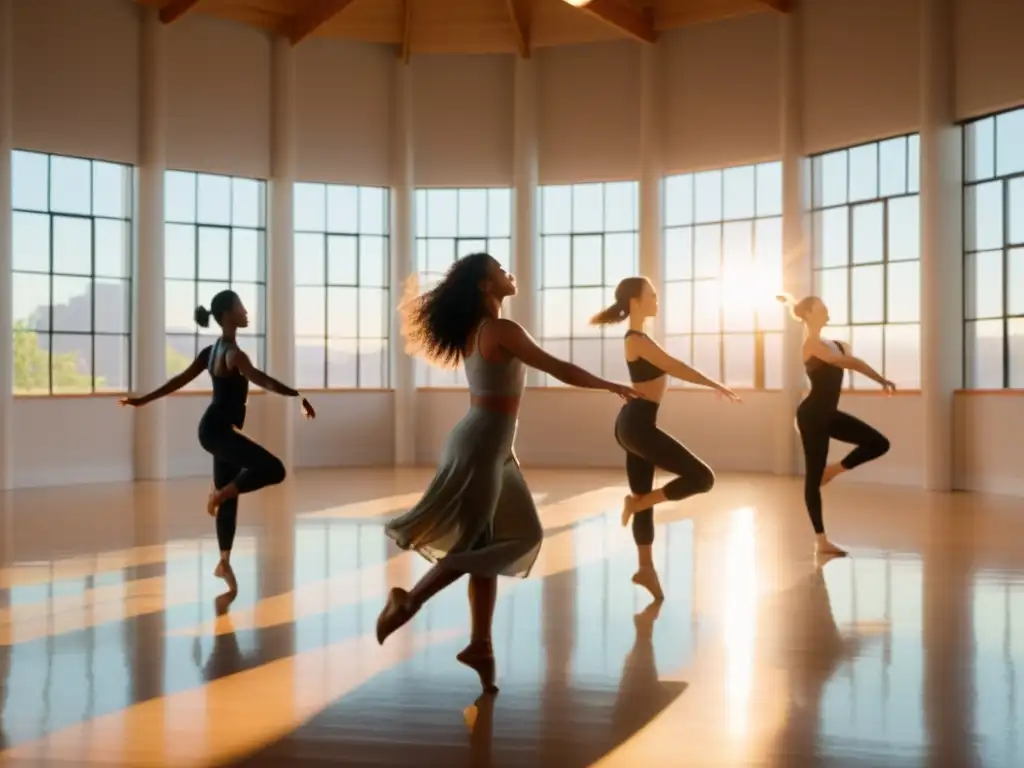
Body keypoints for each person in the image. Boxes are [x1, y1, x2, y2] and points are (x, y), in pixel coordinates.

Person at [377, 253, 640, 694]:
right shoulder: (499, 330)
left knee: (492, 541)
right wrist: (609, 384)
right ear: (484, 285)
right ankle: (409, 600)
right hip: (482, 444)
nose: (509, 274)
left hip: (491, 444)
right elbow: (556, 367)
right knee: (514, 539)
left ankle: (481, 645)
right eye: (499, 271)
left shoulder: (478, 331)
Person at [119, 289, 314, 591]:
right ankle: (219, 495)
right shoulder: (234, 355)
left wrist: (143, 400)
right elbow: (261, 379)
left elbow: (177, 381)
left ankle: (224, 562)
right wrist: (297, 394)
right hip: (218, 432)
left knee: (232, 492)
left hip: (215, 430)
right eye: (240, 307)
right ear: (227, 315)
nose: (246, 312)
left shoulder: (211, 352)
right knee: (274, 469)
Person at [591, 276, 740, 601]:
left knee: (645, 493)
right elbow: (676, 366)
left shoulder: (639, 338)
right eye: (652, 295)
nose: (657, 299)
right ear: (635, 301)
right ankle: (638, 503)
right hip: (637, 426)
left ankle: (645, 568)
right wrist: (715, 384)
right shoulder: (637, 339)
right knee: (702, 478)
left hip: (633, 425)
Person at [777, 293, 893, 557]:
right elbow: (851, 363)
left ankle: (835, 470)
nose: (827, 309)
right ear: (808, 314)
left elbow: (848, 356)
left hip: (828, 413)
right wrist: (880, 379)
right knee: (813, 477)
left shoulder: (838, 343)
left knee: (879, 443)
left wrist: (793, 301)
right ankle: (821, 541)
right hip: (811, 416)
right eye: (821, 307)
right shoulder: (810, 346)